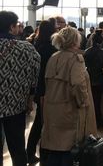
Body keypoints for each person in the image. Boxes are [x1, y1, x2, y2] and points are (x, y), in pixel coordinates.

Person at [40, 27, 97, 166]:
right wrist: (83, 103)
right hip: (70, 109)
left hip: (52, 108)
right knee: (70, 149)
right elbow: (78, 85)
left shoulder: (54, 58)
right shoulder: (76, 59)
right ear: (75, 40)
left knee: (55, 147)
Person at [0, 11, 40, 166]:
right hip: (16, 105)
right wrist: (30, 99)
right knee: (17, 148)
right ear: (11, 27)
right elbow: (34, 77)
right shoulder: (27, 48)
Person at [26, 20, 57, 165]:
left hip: (39, 88)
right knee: (43, 122)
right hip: (49, 88)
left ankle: (31, 151)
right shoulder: (52, 49)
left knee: (39, 121)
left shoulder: (36, 45)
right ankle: (41, 153)